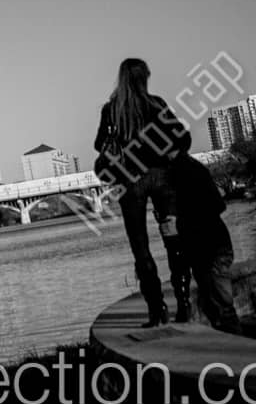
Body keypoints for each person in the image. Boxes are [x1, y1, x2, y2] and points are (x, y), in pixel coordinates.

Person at [94, 58, 191, 327]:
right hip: (162, 178)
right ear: (145, 77)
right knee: (174, 241)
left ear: (121, 78)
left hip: (130, 181)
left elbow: (99, 144)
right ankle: (183, 304)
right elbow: (183, 138)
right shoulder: (157, 104)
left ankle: (156, 310)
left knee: (141, 248)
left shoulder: (111, 110)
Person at [169, 151, 242, 332]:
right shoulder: (193, 167)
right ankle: (233, 344)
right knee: (216, 303)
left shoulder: (182, 171)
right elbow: (219, 205)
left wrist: (184, 218)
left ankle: (236, 346)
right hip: (212, 244)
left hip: (208, 247)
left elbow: (214, 206)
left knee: (220, 305)